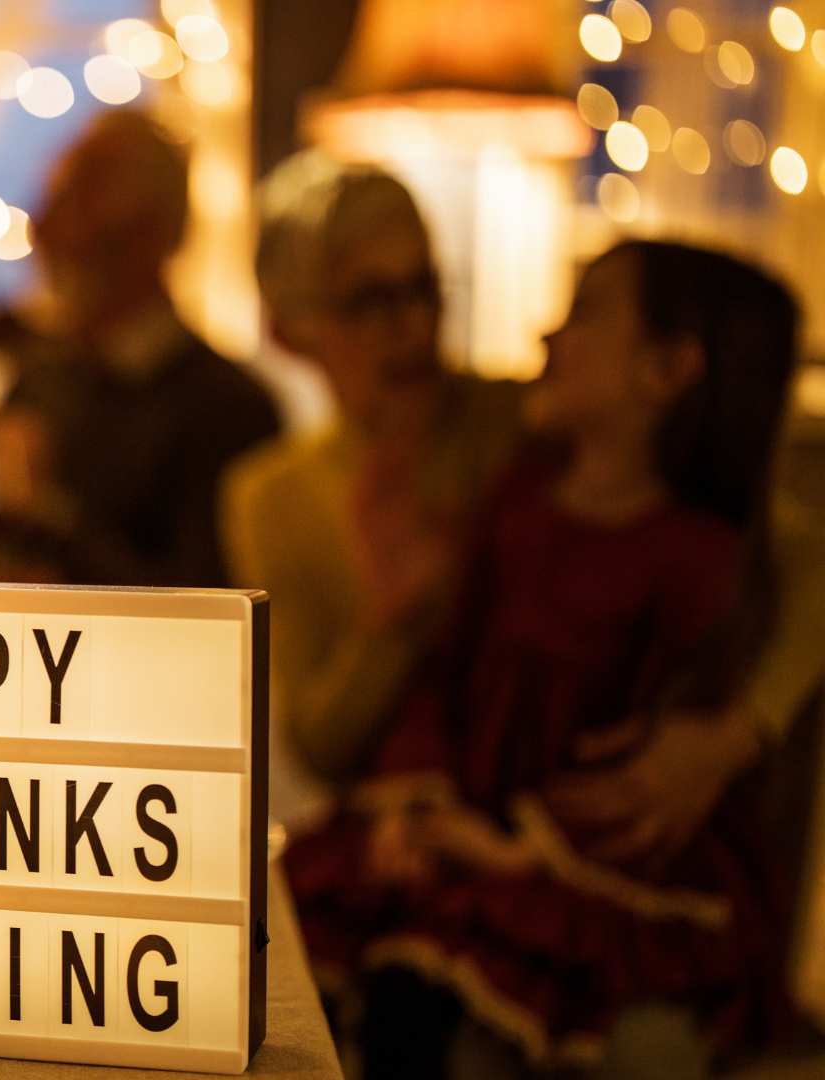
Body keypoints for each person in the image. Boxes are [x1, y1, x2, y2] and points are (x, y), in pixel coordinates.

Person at [284, 241, 802, 1076]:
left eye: (585, 313)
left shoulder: (698, 561)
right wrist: (414, 802)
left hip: (576, 869)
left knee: (448, 1009)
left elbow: (646, 785)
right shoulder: (520, 499)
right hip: (467, 827)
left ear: (666, 369)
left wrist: (512, 847)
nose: (547, 337)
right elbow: (449, 670)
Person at [226, 153, 825, 846]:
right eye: (371, 301)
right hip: (407, 823)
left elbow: (789, 553)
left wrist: (736, 730)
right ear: (291, 331)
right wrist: (396, 627)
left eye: (426, 288)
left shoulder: (530, 424)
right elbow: (317, 748)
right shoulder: (271, 495)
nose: (415, 326)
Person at [0, 109, 281, 588]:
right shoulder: (41, 378)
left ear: (150, 231)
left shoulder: (227, 411)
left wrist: (46, 515)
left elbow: (205, 615)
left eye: (76, 201)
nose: (42, 229)